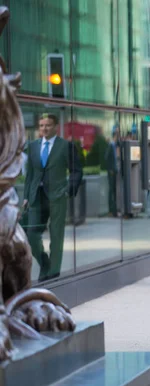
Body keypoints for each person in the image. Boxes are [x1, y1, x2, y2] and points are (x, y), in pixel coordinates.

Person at [23, 113, 83, 281]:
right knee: (32, 234)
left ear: (56, 127)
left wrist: (68, 190)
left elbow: (76, 170)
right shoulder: (33, 146)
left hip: (57, 195)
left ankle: (54, 271)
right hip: (36, 196)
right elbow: (30, 174)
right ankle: (45, 263)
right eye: (41, 125)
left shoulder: (65, 146)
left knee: (56, 234)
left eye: (47, 125)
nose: (44, 129)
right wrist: (26, 197)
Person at [104, 126, 120, 217]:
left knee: (114, 190)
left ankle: (114, 210)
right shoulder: (111, 146)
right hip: (111, 172)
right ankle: (112, 211)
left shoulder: (115, 146)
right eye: (117, 135)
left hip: (115, 170)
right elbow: (106, 158)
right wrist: (110, 169)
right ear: (115, 136)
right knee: (111, 191)